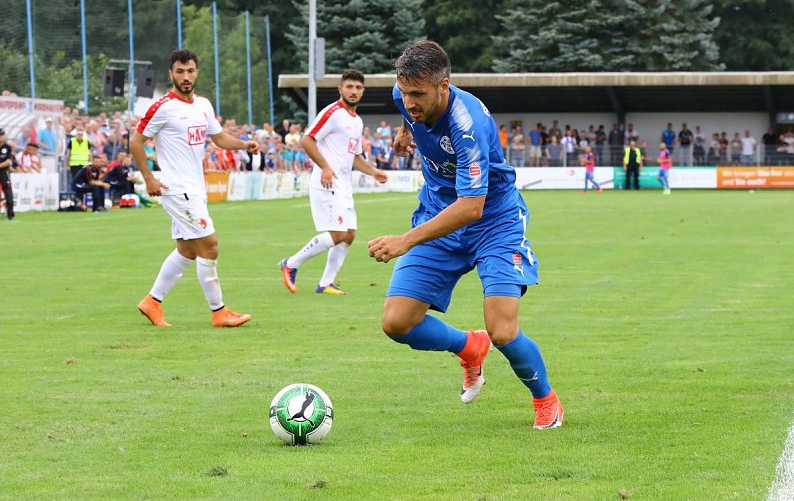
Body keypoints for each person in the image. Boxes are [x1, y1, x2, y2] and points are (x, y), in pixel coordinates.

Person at [369, 40, 563, 430]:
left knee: (502, 330)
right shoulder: (405, 93)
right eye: (404, 93)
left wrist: (406, 240)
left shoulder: (467, 125)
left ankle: (546, 399)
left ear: (444, 86)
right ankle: (469, 347)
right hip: (438, 215)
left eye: (418, 95)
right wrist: (406, 131)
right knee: (397, 323)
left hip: (493, 222)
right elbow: (407, 107)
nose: (408, 102)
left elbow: (471, 206)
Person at [131, 48, 255, 328]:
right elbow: (136, 141)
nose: (185, 77)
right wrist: (149, 179)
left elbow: (219, 137)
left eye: (190, 71)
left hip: (195, 189)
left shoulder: (203, 105)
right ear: (171, 74)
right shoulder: (163, 107)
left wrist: (243, 144)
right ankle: (219, 312)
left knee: (187, 251)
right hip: (177, 190)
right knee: (210, 247)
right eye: (180, 72)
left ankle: (152, 302)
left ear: (197, 72)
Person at [279, 70, 388, 296]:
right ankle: (290, 263)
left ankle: (325, 283)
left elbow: (355, 156)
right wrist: (326, 167)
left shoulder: (356, 121)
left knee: (349, 235)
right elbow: (307, 139)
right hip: (327, 182)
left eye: (358, 87)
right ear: (340, 89)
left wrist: (374, 172)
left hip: (343, 185)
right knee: (337, 234)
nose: (354, 91)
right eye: (349, 86)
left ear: (363, 91)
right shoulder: (333, 112)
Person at [0, 128, 14, 220]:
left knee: (8, 192)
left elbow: (8, 161)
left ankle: (10, 213)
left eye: (2, 135)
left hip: (4, 172)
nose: (1, 137)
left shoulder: (7, 147)